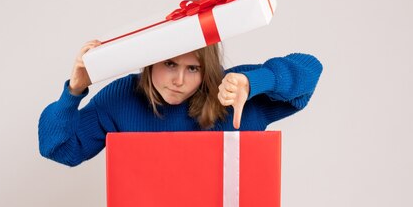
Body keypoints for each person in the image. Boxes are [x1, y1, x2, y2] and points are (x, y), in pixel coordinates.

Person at [39, 40, 323, 167]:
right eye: (170, 64)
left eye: (193, 68)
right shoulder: (123, 97)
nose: (179, 80)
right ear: (151, 63)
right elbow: (61, 149)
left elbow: (310, 70)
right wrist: (74, 90)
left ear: (208, 69)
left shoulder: (232, 89)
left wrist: (256, 82)